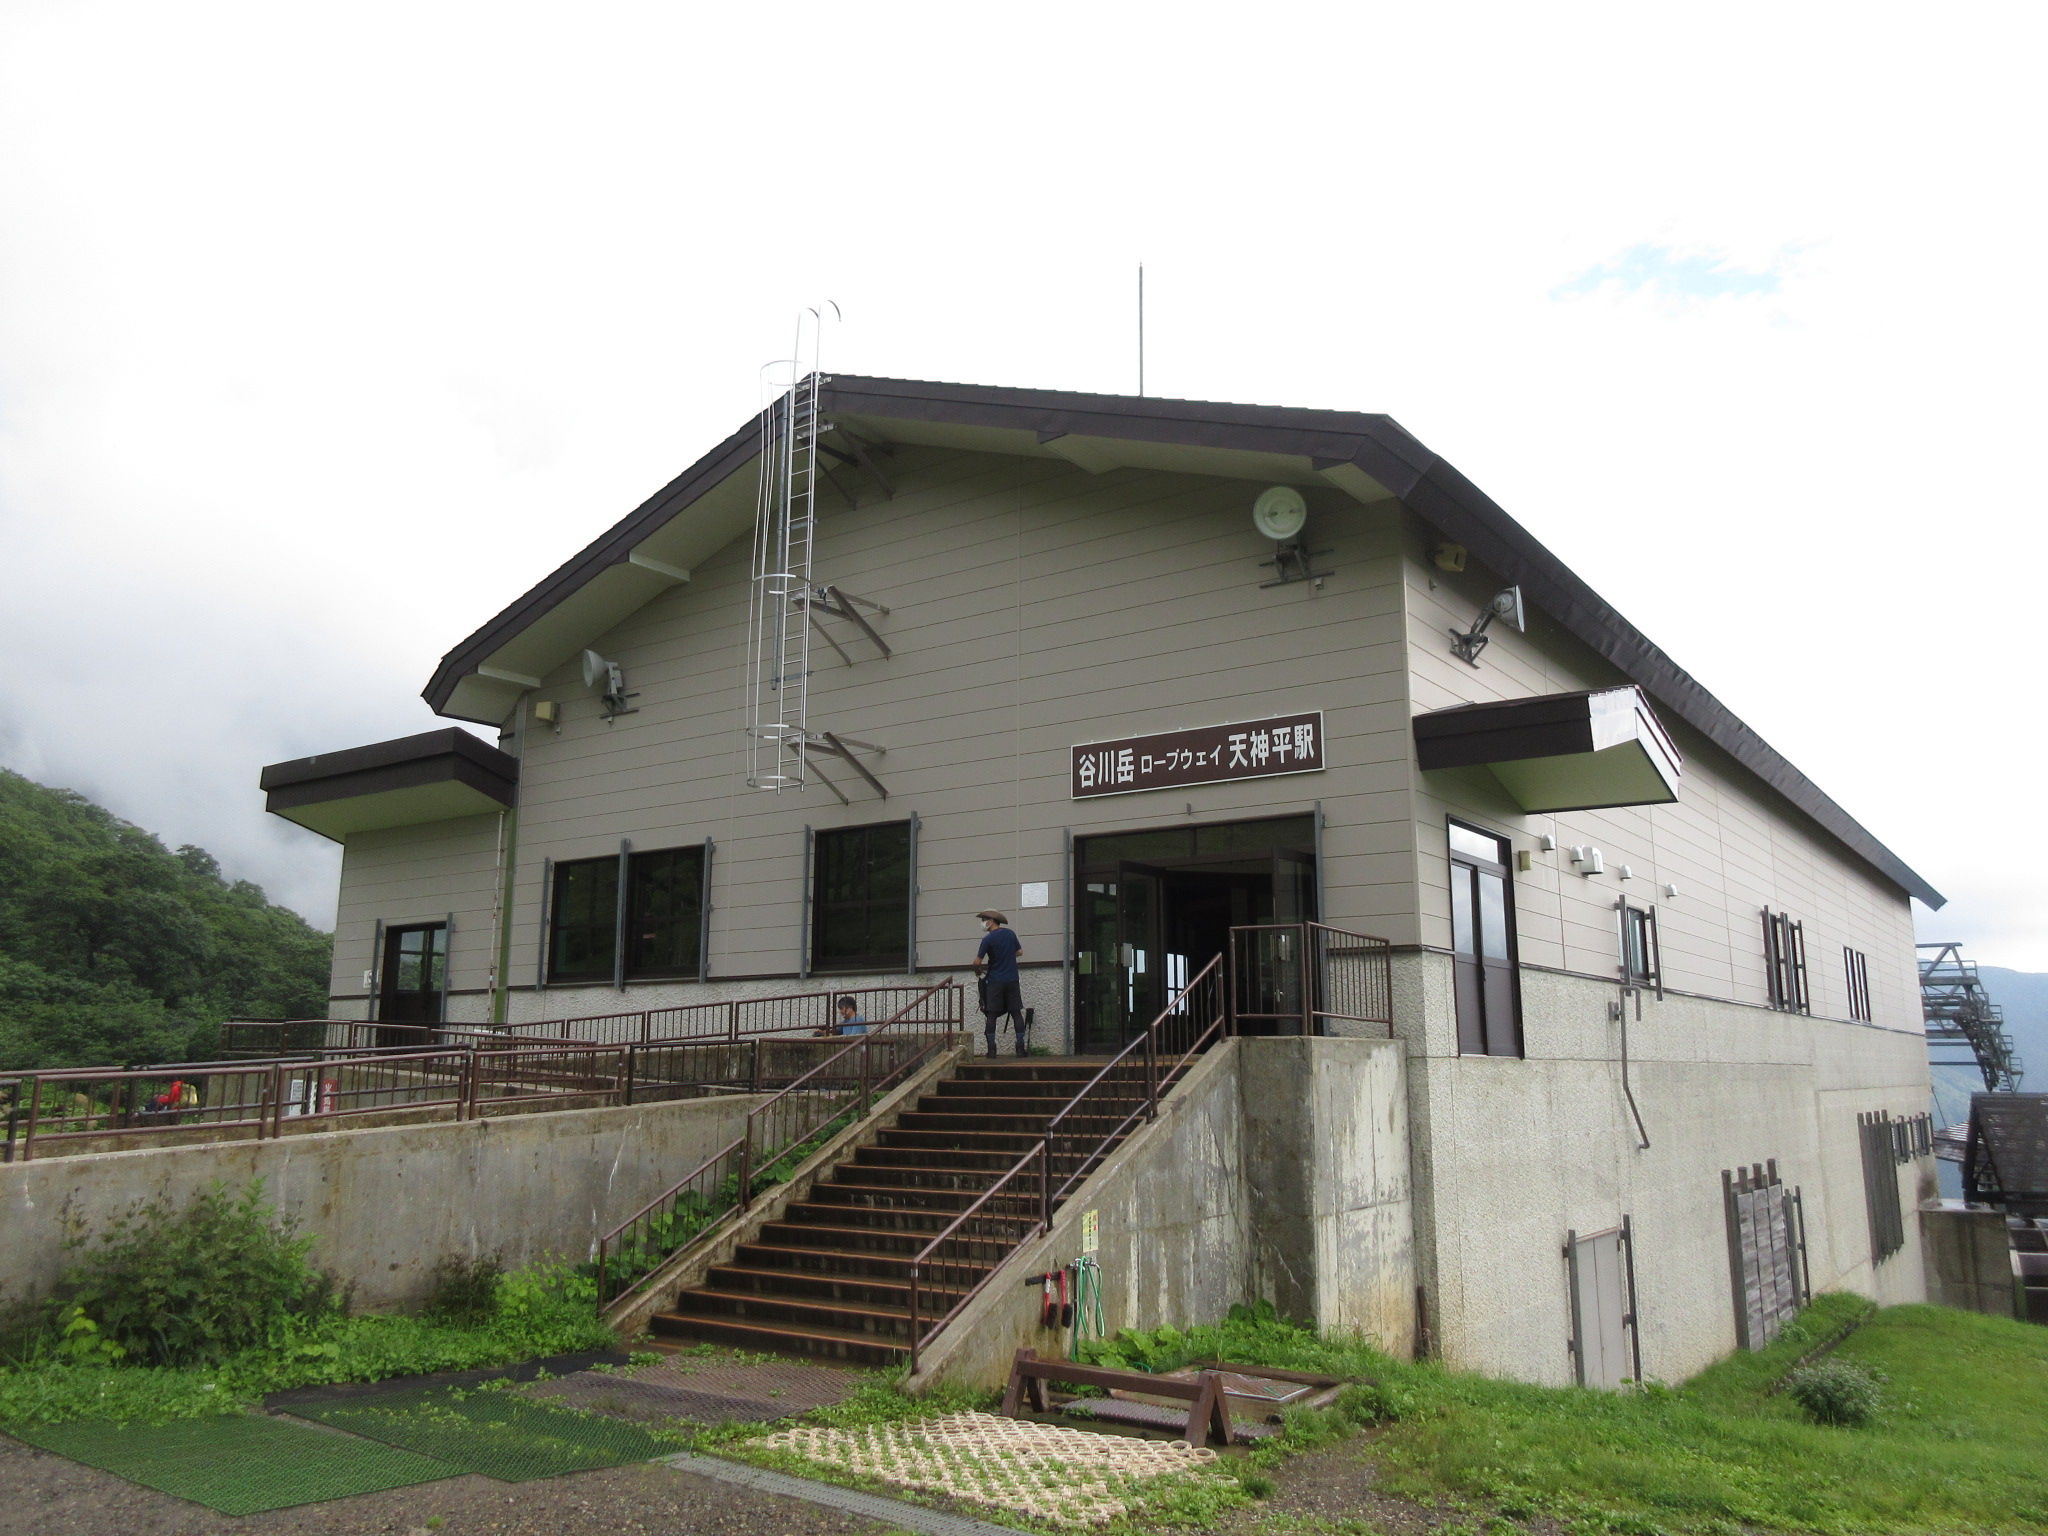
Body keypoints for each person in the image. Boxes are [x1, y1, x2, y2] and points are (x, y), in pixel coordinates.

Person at [974, 910, 1026, 1058]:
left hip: (995, 980)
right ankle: (1020, 1048)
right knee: (1016, 1012)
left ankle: (991, 1049)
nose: (983, 923)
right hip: (1012, 979)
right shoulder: (1010, 934)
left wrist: (977, 971)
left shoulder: (988, 939)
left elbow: (977, 961)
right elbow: (1020, 952)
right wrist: (1008, 954)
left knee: (992, 1014)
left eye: (984, 920)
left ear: (991, 921)